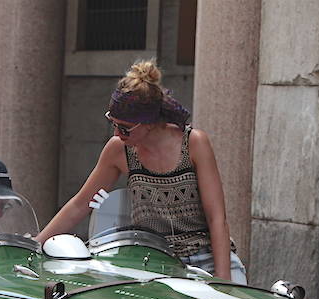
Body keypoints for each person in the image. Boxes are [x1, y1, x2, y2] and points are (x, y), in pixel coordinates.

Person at [37, 59, 246, 282]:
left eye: (125, 128)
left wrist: (223, 279)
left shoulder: (193, 143)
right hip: (153, 261)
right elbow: (80, 204)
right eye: (113, 123)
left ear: (148, 123)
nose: (117, 134)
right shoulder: (119, 150)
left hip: (206, 256)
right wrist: (35, 245)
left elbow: (217, 217)